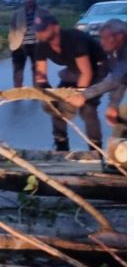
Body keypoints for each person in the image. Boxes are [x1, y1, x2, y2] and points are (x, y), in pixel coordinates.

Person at [32, 13, 107, 151]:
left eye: (43, 29)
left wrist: (80, 95)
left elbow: (87, 73)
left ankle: (96, 149)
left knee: (88, 108)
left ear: (56, 27)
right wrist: (47, 93)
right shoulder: (42, 45)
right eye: (37, 29)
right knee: (56, 105)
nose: (39, 33)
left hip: (98, 67)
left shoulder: (74, 39)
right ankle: (61, 145)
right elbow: (40, 74)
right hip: (74, 69)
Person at [67, 19, 126, 164]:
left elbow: (114, 79)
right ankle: (118, 161)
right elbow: (123, 79)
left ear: (119, 36)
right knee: (121, 118)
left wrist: (83, 95)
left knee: (124, 116)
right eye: (101, 38)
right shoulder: (116, 52)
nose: (102, 42)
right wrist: (113, 104)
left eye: (106, 38)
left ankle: (116, 164)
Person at [8, 0, 52, 87]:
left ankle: (36, 92)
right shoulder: (16, 14)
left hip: (37, 45)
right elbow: (12, 30)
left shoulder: (44, 12)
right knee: (18, 70)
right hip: (20, 45)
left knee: (37, 70)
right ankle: (17, 92)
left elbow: (50, 28)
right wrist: (12, 43)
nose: (29, 0)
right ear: (24, 0)